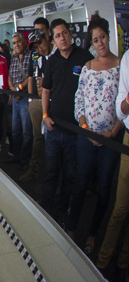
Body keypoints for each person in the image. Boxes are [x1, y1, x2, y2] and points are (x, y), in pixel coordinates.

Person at [69, 15, 121, 256]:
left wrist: (112, 132)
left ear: (109, 37)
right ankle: (71, 228)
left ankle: (92, 235)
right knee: (80, 182)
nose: (100, 43)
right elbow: (79, 99)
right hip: (86, 137)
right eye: (95, 39)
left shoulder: (121, 66)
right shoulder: (88, 67)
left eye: (102, 37)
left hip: (110, 140)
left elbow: (124, 104)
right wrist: (84, 125)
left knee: (104, 189)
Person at [41, 19, 93, 228]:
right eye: (57, 36)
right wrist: (45, 115)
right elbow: (46, 90)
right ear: (53, 40)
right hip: (54, 128)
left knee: (71, 175)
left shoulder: (85, 57)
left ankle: (63, 212)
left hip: (75, 131)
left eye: (65, 33)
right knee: (51, 172)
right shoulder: (51, 61)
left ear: (70, 34)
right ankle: (45, 209)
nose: (62, 38)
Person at [99, 18, 129, 274]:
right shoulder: (128, 59)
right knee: (120, 208)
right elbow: (121, 108)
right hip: (128, 138)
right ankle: (103, 262)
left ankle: (123, 263)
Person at [22, 29, 53, 182]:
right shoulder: (35, 57)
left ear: (47, 38)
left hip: (54, 105)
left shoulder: (58, 57)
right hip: (36, 101)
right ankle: (34, 170)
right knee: (37, 138)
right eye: (35, 46)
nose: (39, 48)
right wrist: (30, 100)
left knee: (52, 141)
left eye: (40, 43)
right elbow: (30, 77)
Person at [9, 33, 33, 168]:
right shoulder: (13, 57)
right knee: (15, 130)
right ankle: (16, 157)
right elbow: (9, 76)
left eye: (18, 42)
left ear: (24, 42)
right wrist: (13, 90)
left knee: (26, 132)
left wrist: (18, 89)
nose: (16, 44)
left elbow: (31, 77)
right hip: (15, 98)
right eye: (14, 43)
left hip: (25, 98)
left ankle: (25, 160)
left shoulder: (31, 56)